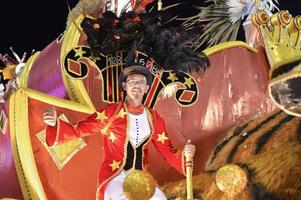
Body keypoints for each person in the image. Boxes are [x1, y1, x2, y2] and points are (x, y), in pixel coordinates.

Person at [43, 64, 196, 200]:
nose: (136, 85)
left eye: (141, 82)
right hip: (115, 176)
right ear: (124, 85)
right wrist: (54, 124)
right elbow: (82, 129)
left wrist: (186, 157)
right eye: (132, 81)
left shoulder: (155, 118)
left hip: (142, 179)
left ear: (146, 88)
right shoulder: (112, 112)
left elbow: (167, 151)